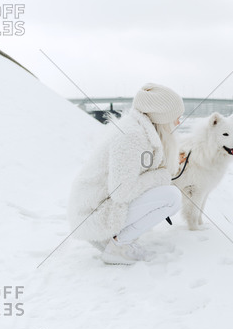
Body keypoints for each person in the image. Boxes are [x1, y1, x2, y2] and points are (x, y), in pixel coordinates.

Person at [67, 83, 185, 264]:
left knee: (168, 193)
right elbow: (121, 191)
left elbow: (140, 170)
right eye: (176, 117)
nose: (178, 122)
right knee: (172, 197)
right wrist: (162, 176)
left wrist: (170, 165)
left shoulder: (140, 130)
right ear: (161, 117)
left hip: (101, 206)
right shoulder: (132, 136)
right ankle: (119, 245)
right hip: (94, 215)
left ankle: (116, 241)